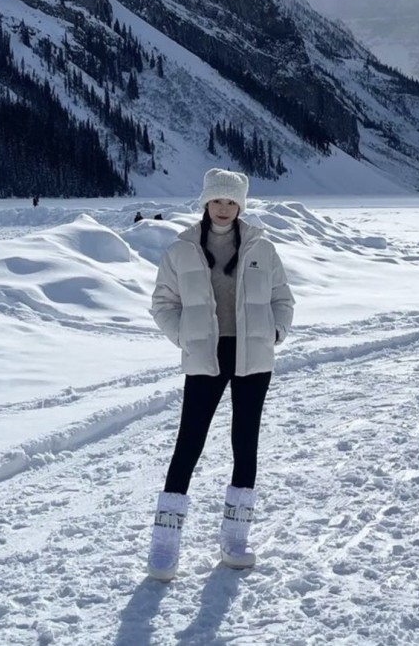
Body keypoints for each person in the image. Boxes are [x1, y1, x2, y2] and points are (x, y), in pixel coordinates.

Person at [146, 168, 295, 581]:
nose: (224, 209)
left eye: (232, 202)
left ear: (241, 205)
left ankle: (235, 539)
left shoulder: (262, 248)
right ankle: (164, 544)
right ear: (205, 203)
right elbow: (163, 303)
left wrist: (275, 331)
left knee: (245, 443)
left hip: (253, 356)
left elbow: (284, 298)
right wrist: (185, 337)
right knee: (188, 444)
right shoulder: (182, 250)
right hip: (205, 356)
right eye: (217, 201)